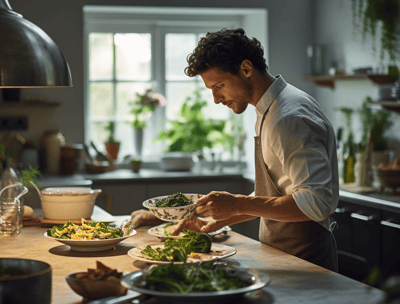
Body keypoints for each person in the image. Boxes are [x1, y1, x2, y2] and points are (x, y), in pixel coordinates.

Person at [131, 28, 339, 272]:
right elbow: (277, 194)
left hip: (308, 262)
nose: (216, 99)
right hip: (284, 256)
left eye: (219, 85)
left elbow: (317, 202)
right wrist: (212, 223)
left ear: (246, 69)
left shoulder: (288, 117)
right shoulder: (270, 110)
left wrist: (237, 203)